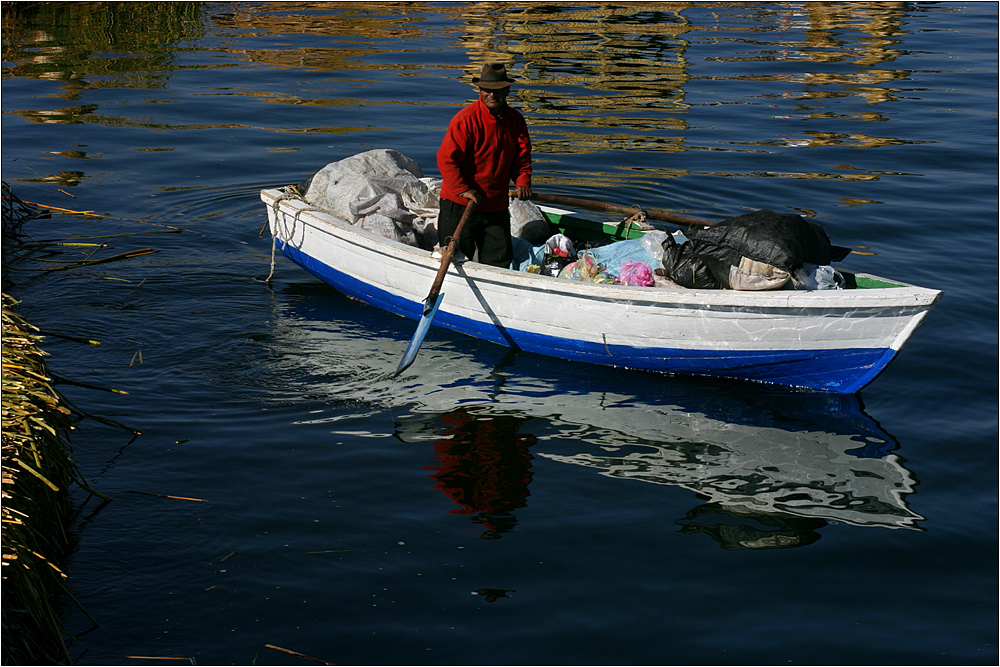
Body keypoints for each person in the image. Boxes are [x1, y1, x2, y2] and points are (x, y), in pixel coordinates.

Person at [436, 63, 532, 268]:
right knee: (455, 259)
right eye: (487, 90)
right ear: (479, 90)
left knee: (499, 261)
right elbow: (446, 160)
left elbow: (522, 159)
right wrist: (463, 189)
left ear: (507, 90)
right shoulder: (466, 119)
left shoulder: (515, 121)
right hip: (460, 204)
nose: (492, 95)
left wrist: (523, 182)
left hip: (495, 204)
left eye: (497, 90)